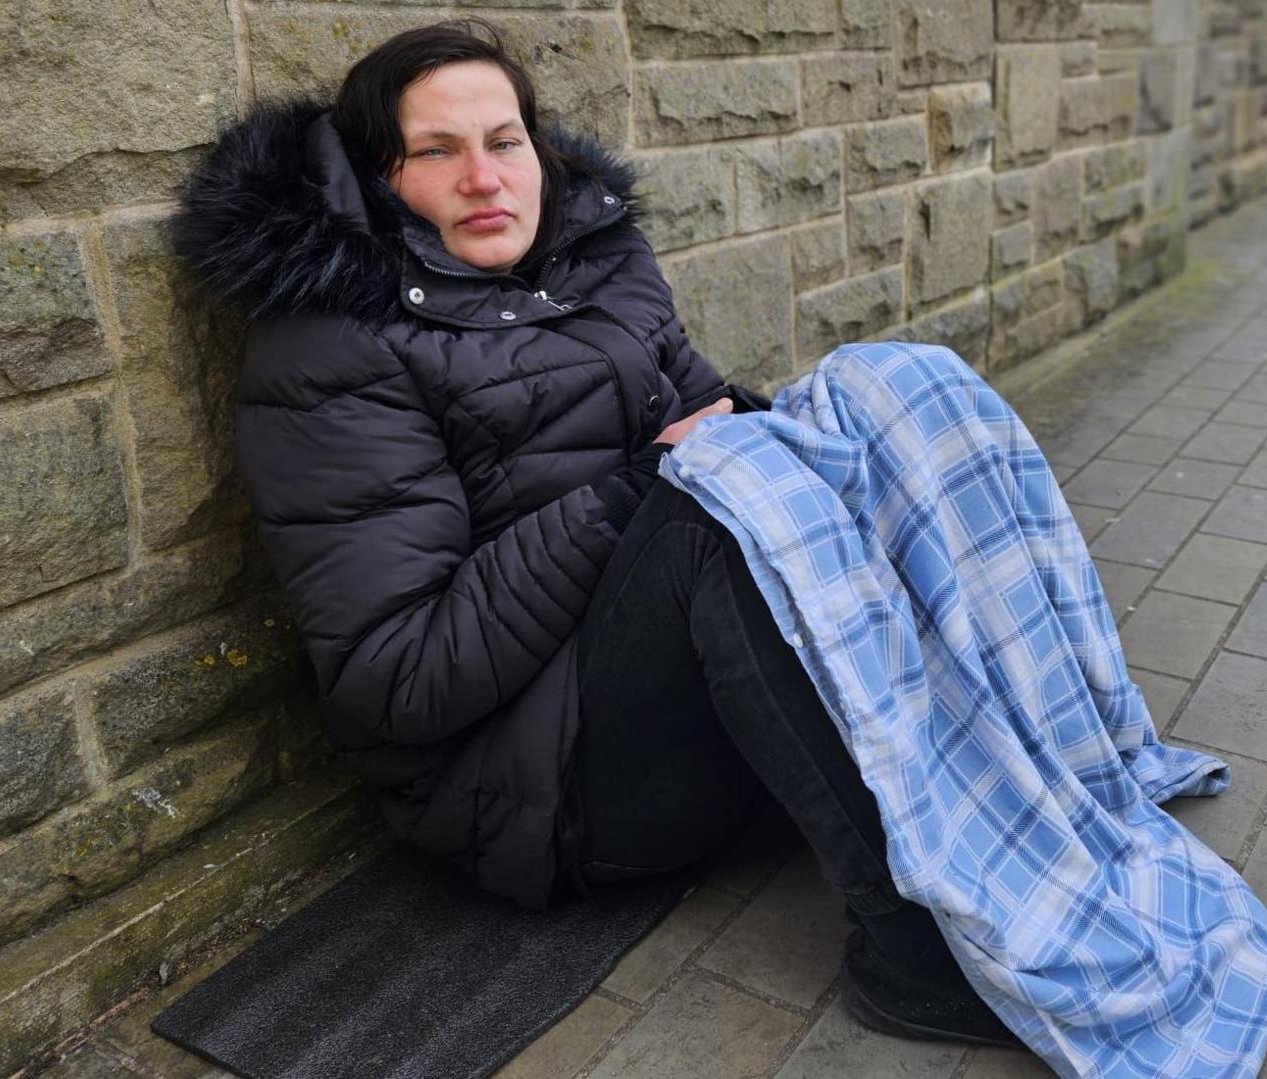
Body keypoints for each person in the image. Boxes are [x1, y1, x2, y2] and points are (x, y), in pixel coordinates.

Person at [172, 17, 1016, 1047]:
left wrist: (777, 433)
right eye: (436, 151)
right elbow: (396, 677)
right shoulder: (331, 351)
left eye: (503, 140)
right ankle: (912, 959)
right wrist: (635, 492)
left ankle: (1022, 769)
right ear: (378, 179)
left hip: (667, 692)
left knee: (897, 393)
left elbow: (708, 419)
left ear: (539, 145)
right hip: (538, 791)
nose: (483, 177)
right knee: (713, 517)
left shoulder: (600, 260)